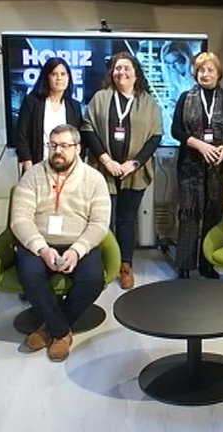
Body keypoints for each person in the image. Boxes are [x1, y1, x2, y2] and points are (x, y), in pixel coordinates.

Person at [11, 124, 111, 362]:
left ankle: (50, 327)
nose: (57, 151)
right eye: (53, 145)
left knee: (93, 280)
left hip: (78, 243)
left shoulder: (94, 179)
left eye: (64, 146)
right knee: (29, 273)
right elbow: (19, 219)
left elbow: (99, 223)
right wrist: (42, 249)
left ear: (77, 148)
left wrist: (77, 251)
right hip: (39, 243)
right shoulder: (32, 176)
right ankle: (61, 332)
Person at [81, 52, 162, 290]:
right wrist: (106, 161)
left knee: (126, 221)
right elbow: (87, 129)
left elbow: (155, 136)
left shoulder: (148, 102)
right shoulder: (101, 98)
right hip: (102, 170)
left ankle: (125, 266)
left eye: (127, 68)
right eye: (117, 68)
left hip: (134, 172)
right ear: (112, 73)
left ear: (136, 73)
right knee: (102, 221)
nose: (122, 73)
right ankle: (104, 267)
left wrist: (133, 164)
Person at [171, 51, 223, 279]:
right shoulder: (185, 97)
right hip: (190, 166)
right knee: (189, 214)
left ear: (218, 73)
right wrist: (200, 146)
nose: (205, 74)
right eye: (201, 70)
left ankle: (206, 263)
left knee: (213, 214)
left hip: (218, 167)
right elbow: (176, 130)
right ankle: (184, 265)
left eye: (210, 70)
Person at [15, 57, 84, 173]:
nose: (59, 78)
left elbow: (79, 139)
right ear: (46, 77)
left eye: (63, 74)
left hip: (67, 168)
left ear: (69, 77)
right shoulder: (32, 102)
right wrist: (27, 162)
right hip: (37, 166)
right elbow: (21, 135)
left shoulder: (74, 106)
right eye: (54, 74)